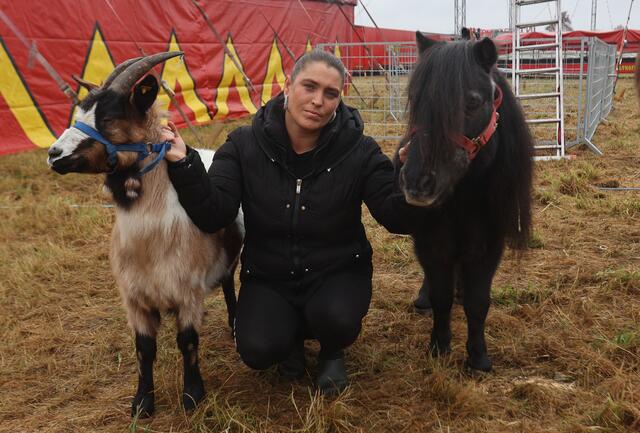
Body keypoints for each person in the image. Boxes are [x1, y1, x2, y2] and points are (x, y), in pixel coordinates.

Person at [162, 50, 414, 395]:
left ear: (340, 99)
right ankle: (289, 342)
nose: (318, 101)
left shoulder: (360, 151)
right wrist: (184, 163)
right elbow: (214, 213)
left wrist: (412, 175)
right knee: (257, 349)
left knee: (336, 319)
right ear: (288, 85)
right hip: (270, 275)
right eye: (309, 86)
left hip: (337, 270)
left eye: (330, 93)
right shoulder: (243, 145)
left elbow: (394, 215)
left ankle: (331, 349)